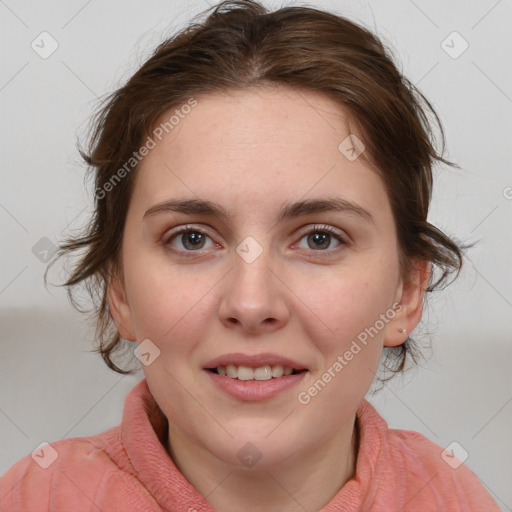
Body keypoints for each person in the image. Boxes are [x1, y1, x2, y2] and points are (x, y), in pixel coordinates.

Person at [0, 1, 501, 511]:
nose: (251, 302)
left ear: (406, 292)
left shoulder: (456, 499)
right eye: (191, 239)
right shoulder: (32, 498)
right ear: (120, 290)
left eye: (320, 238)